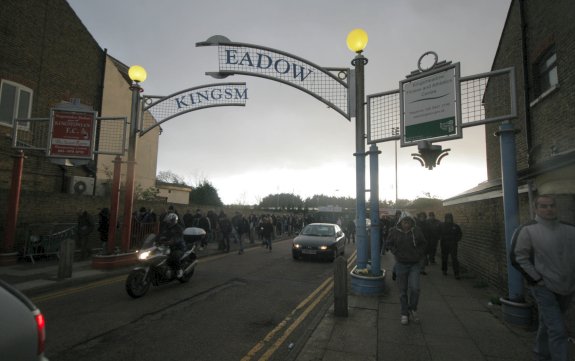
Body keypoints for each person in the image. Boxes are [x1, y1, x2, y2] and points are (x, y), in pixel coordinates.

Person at [511, 195, 575, 361]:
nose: (549, 209)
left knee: (548, 324)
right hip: (543, 287)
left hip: (567, 286)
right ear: (536, 209)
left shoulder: (570, 229)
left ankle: (540, 355)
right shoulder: (527, 230)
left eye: (552, 206)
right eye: (544, 206)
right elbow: (518, 257)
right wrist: (537, 280)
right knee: (558, 330)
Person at [386, 212, 427, 325]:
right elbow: (388, 243)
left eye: (408, 222)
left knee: (415, 289)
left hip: (414, 264)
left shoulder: (416, 231)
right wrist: (395, 252)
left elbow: (423, 243)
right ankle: (404, 313)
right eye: (404, 222)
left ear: (411, 222)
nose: (406, 225)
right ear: (400, 222)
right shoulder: (394, 231)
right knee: (402, 291)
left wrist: (419, 253)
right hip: (401, 264)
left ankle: (412, 309)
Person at [158, 213, 186, 278]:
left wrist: (172, 241)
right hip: (167, 247)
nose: (169, 222)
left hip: (178, 247)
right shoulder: (166, 227)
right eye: (169, 221)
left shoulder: (178, 228)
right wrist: (157, 239)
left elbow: (178, 237)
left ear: (174, 220)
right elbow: (161, 234)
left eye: (171, 221)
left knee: (175, 255)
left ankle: (179, 270)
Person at [439, 213, 462, 279]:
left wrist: (456, 240)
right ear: (445, 218)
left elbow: (460, 234)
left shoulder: (455, 226)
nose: (448, 219)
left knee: (454, 259)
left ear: (451, 218)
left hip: (453, 244)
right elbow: (438, 232)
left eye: (450, 218)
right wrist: (441, 237)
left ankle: (456, 273)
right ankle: (444, 270)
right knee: (444, 258)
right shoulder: (442, 225)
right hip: (444, 244)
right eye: (447, 218)